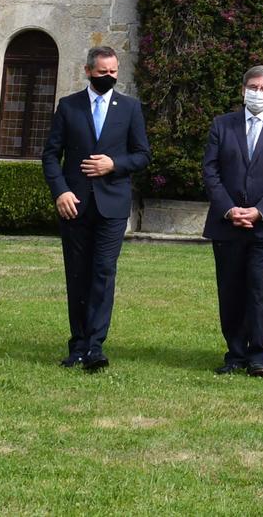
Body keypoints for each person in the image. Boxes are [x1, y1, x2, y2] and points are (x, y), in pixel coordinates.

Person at [41, 45, 150, 373]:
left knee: (103, 272)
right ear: (88, 71)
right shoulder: (68, 106)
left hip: (112, 206)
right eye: (103, 73)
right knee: (78, 274)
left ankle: (95, 347)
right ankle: (77, 345)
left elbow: (143, 155)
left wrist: (113, 164)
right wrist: (60, 191)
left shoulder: (130, 108)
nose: (109, 77)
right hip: (74, 206)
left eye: (114, 72)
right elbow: (50, 155)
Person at [200, 63, 263, 378]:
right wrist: (229, 209)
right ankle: (235, 354)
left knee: (258, 288)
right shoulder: (222, 125)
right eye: (252, 87)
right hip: (227, 222)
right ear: (243, 90)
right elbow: (210, 171)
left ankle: (257, 355)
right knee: (230, 289)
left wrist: (260, 211)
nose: (258, 93)